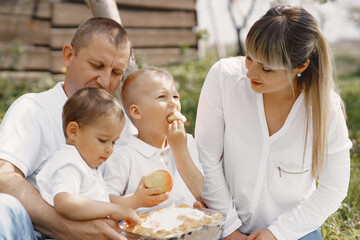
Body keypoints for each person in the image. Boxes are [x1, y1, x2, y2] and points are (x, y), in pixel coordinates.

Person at [195, 5, 352, 240]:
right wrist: (229, 229)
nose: (250, 73)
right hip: (220, 220)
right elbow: (207, 158)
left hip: (293, 230)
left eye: (266, 68)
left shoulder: (325, 108)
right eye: (249, 57)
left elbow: (333, 188)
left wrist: (277, 233)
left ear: (300, 67)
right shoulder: (225, 77)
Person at [0, 17, 132, 239]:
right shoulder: (34, 108)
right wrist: (67, 228)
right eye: (97, 65)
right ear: (69, 56)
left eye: (117, 72)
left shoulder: (120, 123)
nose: (105, 80)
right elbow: (4, 177)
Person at [104, 67, 204, 213]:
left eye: (175, 97)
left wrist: (179, 149)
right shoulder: (124, 157)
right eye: (162, 97)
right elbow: (105, 200)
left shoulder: (187, 142)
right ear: (137, 112)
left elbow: (201, 191)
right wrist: (135, 200)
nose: (173, 103)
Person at [36, 87, 140, 226]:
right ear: (74, 131)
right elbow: (64, 202)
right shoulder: (70, 164)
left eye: (114, 142)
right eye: (103, 140)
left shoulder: (85, 163)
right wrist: (112, 209)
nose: (110, 149)